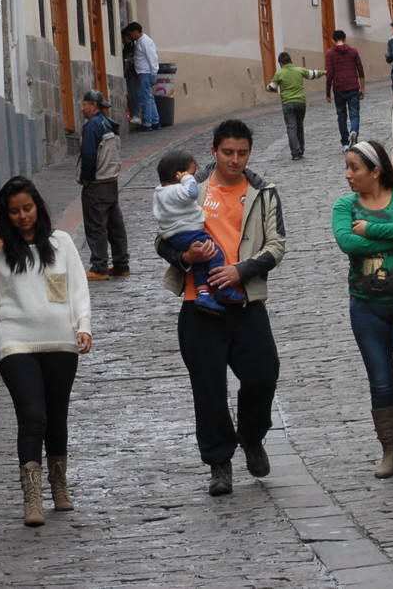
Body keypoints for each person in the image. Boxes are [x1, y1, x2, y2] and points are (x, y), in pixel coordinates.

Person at [154, 119, 286, 496]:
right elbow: (162, 240)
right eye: (228, 152)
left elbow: (276, 245)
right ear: (214, 152)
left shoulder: (263, 192)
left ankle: (251, 434)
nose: (235, 160)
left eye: (242, 153)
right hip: (199, 305)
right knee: (208, 389)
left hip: (246, 302)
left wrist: (239, 271)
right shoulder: (191, 191)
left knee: (263, 375)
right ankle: (219, 463)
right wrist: (185, 255)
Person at [0, 178, 93, 527]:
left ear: (38, 206)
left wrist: (83, 325)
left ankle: (59, 485)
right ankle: (31, 497)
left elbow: (77, 288)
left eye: (28, 208)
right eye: (15, 211)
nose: (23, 216)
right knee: (32, 415)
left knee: (56, 416)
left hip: (60, 342)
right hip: (16, 343)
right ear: (4, 214)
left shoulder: (60, 242)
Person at [331, 140, 393, 478]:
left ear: (375, 171)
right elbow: (348, 242)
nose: (348, 175)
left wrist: (372, 230)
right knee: (381, 382)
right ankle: (389, 451)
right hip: (366, 308)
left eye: (354, 168)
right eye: (347, 167)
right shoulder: (344, 206)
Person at [152, 149, 246, 312]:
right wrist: (187, 179)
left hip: (175, 235)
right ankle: (221, 288)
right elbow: (192, 193)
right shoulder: (175, 191)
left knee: (200, 262)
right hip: (188, 232)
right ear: (178, 175)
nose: (194, 179)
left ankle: (203, 293)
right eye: (191, 175)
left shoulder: (159, 192)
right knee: (214, 253)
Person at [77, 89, 129, 281]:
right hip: (111, 181)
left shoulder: (92, 126)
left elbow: (89, 156)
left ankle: (99, 266)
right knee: (115, 225)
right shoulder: (109, 123)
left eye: (85, 104)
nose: (82, 108)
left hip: (97, 183)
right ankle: (121, 264)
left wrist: (86, 177)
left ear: (94, 106)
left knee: (95, 225)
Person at [265, 51, 324, 160]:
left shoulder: (279, 73)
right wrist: (324, 72)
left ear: (280, 63)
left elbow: (272, 87)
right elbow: (312, 74)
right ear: (291, 61)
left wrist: (268, 88)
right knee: (300, 126)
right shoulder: (299, 70)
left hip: (287, 103)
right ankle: (301, 149)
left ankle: (295, 152)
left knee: (291, 127)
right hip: (301, 102)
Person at [324, 30, 366, 149]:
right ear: (345, 39)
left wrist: (328, 92)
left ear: (332, 40)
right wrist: (362, 88)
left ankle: (345, 143)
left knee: (341, 115)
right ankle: (354, 131)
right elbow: (360, 70)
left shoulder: (330, 54)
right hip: (353, 86)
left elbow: (329, 74)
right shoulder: (353, 51)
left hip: (339, 88)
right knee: (354, 113)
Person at [128, 22, 161, 131]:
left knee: (145, 98)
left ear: (136, 32)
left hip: (146, 73)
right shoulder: (140, 41)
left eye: (131, 34)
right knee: (149, 98)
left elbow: (152, 57)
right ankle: (155, 121)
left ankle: (147, 123)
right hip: (145, 73)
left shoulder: (145, 41)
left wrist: (153, 72)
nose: (130, 36)